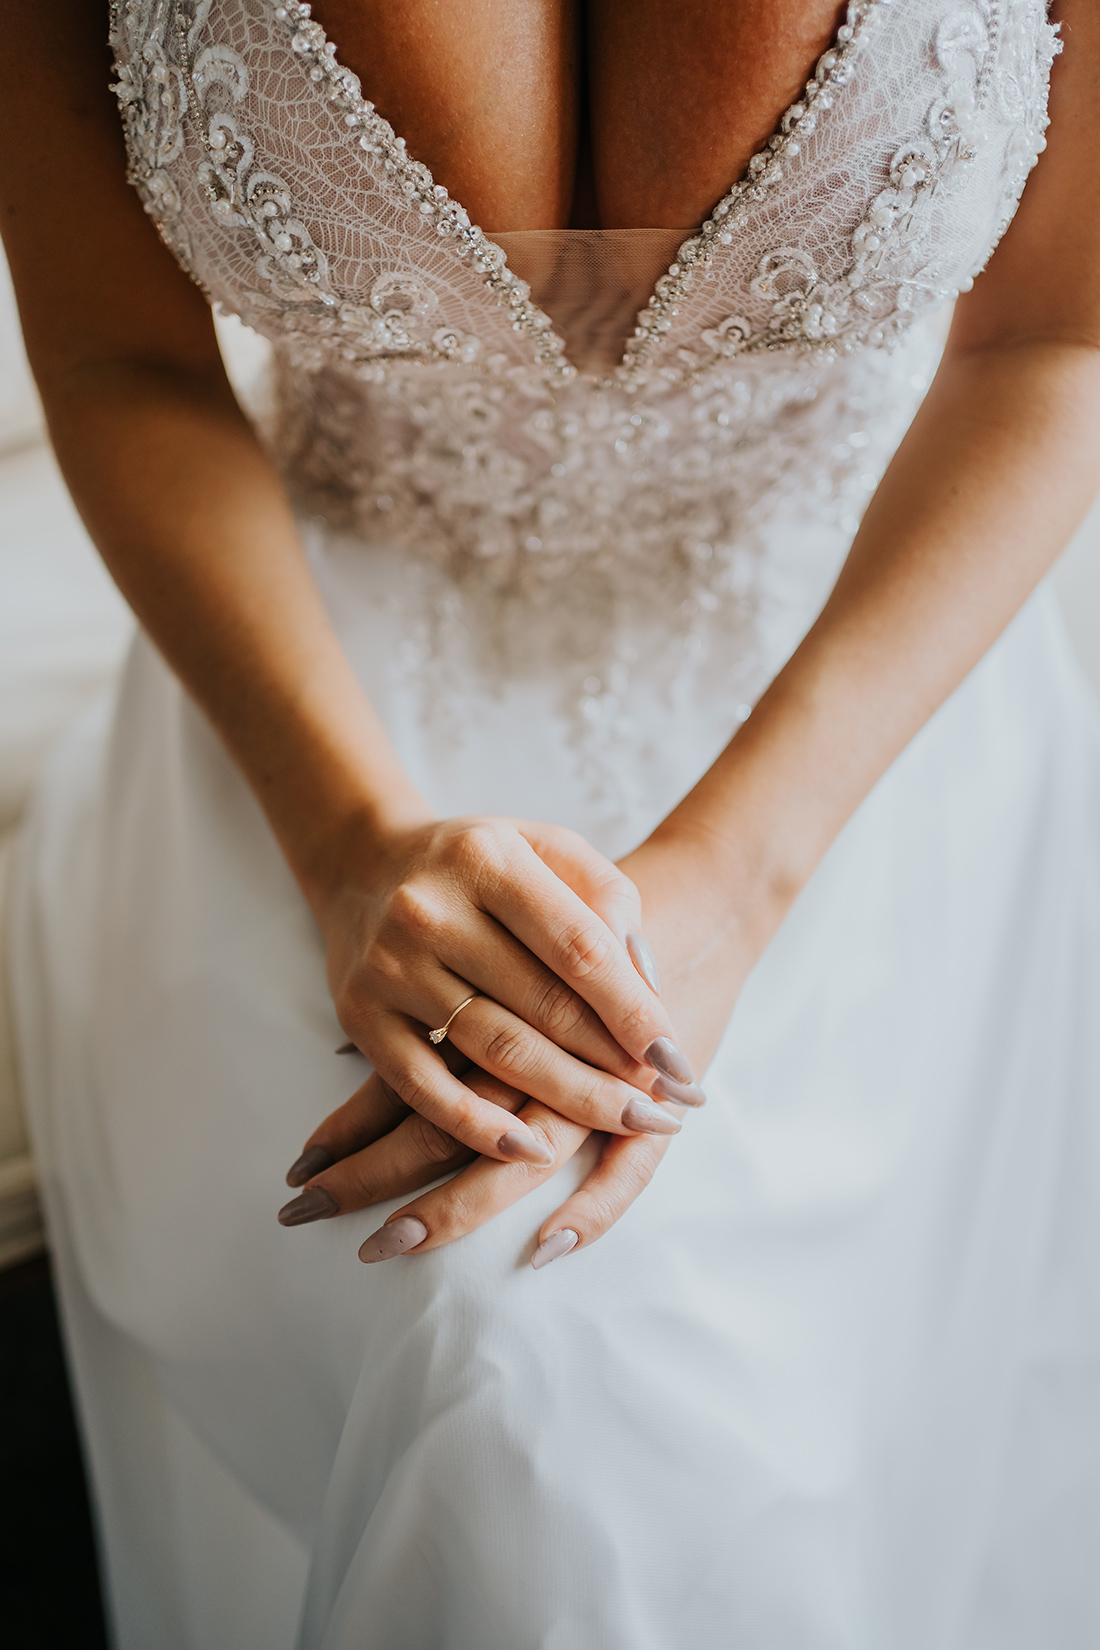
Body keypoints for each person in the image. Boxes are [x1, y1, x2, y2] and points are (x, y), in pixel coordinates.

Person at [4, 0, 1099, 1644]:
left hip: (853, 715)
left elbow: (1053, 340)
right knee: (485, 1365)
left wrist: (734, 882)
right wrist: (352, 844)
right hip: (309, 701)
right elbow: (119, 353)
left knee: (590, 1406)